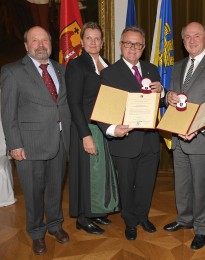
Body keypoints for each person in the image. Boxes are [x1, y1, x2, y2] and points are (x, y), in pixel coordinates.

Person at [0, 26, 71, 255]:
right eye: (35, 41)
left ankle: (55, 225)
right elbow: (8, 113)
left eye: (45, 41)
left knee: (55, 189)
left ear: (51, 44)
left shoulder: (61, 69)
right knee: (33, 192)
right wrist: (14, 145)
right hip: (29, 146)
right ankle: (37, 233)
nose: (41, 45)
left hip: (60, 141)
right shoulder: (12, 72)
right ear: (26, 46)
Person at [164, 22, 205, 250]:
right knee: (181, 183)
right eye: (187, 37)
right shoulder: (178, 65)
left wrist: (200, 128)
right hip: (178, 136)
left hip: (201, 138)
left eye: (197, 36)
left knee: (201, 187)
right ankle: (184, 219)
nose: (192, 40)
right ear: (182, 41)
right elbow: (171, 97)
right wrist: (168, 96)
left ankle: (201, 228)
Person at [99, 26, 165, 241]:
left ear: (144, 48)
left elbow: (160, 101)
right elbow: (103, 109)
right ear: (120, 46)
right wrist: (111, 130)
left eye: (137, 44)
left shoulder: (152, 69)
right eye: (128, 43)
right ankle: (129, 221)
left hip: (150, 140)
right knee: (126, 185)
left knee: (147, 182)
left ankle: (142, 216)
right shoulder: (109, 73)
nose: (133, 48)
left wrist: (162, 92)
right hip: (124, 140)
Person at [66, 22, 119, 235]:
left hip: (105, 127)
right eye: (89, 38)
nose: (93, 42)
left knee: (100, 172)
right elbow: (74, 103)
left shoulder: (108, 64)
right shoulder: (76, 65)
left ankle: (96, 210)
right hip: (86, 127)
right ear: (82, 41)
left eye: (97, 38)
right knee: (84, 173)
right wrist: (85, 135)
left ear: (103, 42)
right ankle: (82, 217)